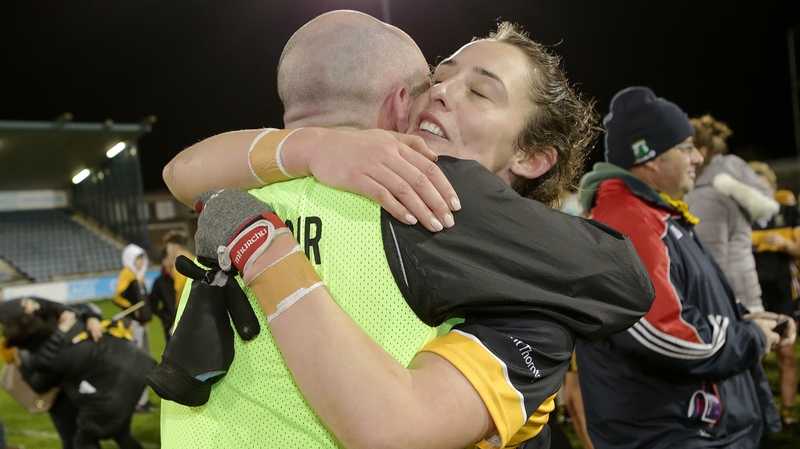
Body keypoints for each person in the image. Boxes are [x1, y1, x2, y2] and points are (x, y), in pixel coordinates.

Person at [157, 11, 654, 449]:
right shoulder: (349, 178)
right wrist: (315, 147)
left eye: (480, 92)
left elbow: (623, 275)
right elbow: (180, 172)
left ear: (531, 157)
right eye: (436, 79)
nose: (440, 92)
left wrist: (262, 241)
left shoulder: (461, 213)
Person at [576, 86, 788, 448]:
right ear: (650, 157)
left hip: (692, 427)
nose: (697, 159)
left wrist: (749, 321)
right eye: (686, 148)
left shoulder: (654, 214)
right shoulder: (628, 219)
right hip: (673, 432)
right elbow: (665, 332)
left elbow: (686, 303)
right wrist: (751, 339)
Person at [0, 297, 154, 449]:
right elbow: (79, 308)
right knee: (118, 431)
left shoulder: (51, 355)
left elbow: (39, 384)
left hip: (113, 390)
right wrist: (89, 318)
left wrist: (21, 365)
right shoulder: (66, 318)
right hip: (133, 367)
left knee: (82, 440)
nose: (35, 304)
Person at [683, 115, 779, 313]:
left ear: (701, 151)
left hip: (729, 301)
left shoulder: (708, 193)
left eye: (684, 148)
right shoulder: (724, 177)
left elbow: (710, 259)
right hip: (743, 290)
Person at [750, 160, 800, 426]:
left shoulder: (789, 213)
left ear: (773, 187)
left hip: (783, 295)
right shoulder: (742, 215)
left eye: (763, 188)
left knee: (786, 354)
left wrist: (785, 244)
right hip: (754, 298)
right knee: (755, 356)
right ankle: (761, 412)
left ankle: (788, 413)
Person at [113, 244, 153, 413]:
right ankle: (138, 401)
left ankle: (144, 399)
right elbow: (117, 296)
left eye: (142, 257)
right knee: (137, 361)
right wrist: (132, 308)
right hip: (134, 326)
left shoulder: (139, 276)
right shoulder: (127, 274)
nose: (141, 261)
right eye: (138, 258)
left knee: (145, 359)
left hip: (144, 325)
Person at [149, 248, 176, 341]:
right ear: (164, 261)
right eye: (171, 258)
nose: (174, 261)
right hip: (169, 324)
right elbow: (153, 304)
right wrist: (166, 317)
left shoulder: (180, 277)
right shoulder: (159, 282)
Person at [162, 231, 193, 310]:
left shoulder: (179, 265)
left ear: (175, 246)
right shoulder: (192, 258)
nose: (167, 251)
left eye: (168, 247)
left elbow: (181, 292)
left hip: (188, 307)